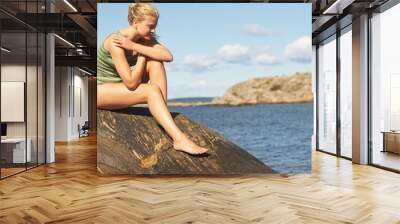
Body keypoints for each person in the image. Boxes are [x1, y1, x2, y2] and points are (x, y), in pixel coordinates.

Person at [97, 3, 208, 155]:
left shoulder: (143, 38)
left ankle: (162, 112)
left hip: (120, 87)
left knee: (156, 62)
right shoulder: (115, 41)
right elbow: (131, 83)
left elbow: (168, 56)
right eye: (150, 26)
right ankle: (179, 140)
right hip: (101, 91)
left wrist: (136, 47)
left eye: (155, 26)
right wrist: (143, 54)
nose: (154, 30)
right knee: (151, 89)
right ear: (136, 23)